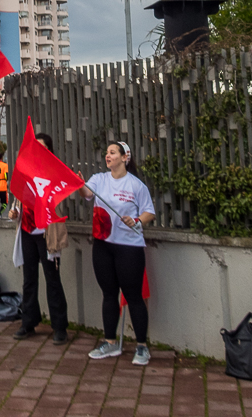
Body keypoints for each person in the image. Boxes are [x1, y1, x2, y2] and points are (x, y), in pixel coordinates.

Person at [78, 141, 156, 366]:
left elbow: (149, 212)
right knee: (109, 294)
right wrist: (79, 183)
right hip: (103, 245)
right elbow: (86, 194)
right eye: (106, 152)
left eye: (112, 152)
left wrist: (137, 220)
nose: (107, 155)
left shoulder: (136, 185)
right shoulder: (99, 179)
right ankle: (110, 343)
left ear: (124, 158)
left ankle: (142, 346)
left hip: (129, 248)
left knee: (133, 297)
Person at [8, 133, 69, 344]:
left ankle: (60, 327)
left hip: (47, 233)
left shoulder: (54, 173)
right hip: (27, 231)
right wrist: (14, 212)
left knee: (52, 279)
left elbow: (59, 196)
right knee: (29, 279)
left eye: (43, 148)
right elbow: (19, 199)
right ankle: (29, 322)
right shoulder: (25, 172)